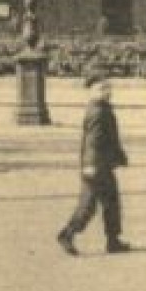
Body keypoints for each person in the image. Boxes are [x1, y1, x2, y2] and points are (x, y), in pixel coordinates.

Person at [57, 72, 131, 256]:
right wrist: (90, 165)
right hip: (96, 166)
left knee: (111, 202)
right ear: (91, 92)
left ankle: (113, 240)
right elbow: (92, 142)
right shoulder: (97, 112)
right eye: (101, 89)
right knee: (88, 205)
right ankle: (67, 234)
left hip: (102, 164)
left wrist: (119, 156)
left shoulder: (103, 108)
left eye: (108, 88)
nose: (106, 92)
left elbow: (110, 138)